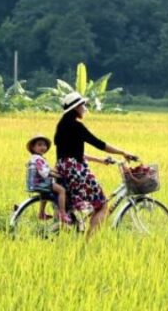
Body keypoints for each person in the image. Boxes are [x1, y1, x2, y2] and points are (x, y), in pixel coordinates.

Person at [53, 91, 137, 235]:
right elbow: (99, 144)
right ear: (76, 108)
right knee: (102, 205)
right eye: (82, 105)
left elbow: (73, 154)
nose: (85, 107)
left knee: (81, 205)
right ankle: (88, 244)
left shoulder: (62, 126)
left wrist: (99, 160)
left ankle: (75, 227)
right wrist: (123, 152)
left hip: (64, 167)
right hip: (76, 170)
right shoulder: (77, 126)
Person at [25, 135, 70, 224]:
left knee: (45, 194)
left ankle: (41, 213)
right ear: (33, 148)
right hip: (41, 182)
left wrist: (55, 171)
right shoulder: (38, 159)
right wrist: (56, 175)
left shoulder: (36, 158)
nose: (43, 147)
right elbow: (44, 172)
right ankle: (63, 213)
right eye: (39, 145)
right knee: (62, 190)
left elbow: (46, 168)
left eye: (44, 145)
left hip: (37, 183)